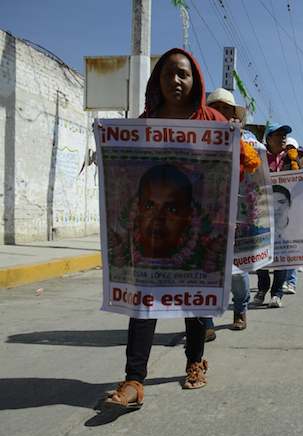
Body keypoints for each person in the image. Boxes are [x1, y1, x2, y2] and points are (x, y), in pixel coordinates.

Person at [104, 48, 228, 409]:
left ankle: (194, 363)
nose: (176, 80)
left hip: (195, 230)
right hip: (150, 235)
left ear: (195, 81)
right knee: (144, 302)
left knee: (193, 301)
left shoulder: (214, 123)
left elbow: (232, 173)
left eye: (183, 74)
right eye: (169, 73)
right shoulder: (143, 124)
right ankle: (133, 380)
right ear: (157, 79)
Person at [202, 88, 257, 338]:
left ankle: (240, 309)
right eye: (215, 107)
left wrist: (236, 139)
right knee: (204, 270)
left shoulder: (245, 138)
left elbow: (256, 165)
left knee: (236, 270)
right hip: (201, 212)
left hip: (234, 213)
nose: (219, 113)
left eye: (225, 109)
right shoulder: (196, 134)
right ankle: (205, 322)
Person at [255, 122, 294, 308]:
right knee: (260, 252)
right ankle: (262, 288)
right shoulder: (258, 157)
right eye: (278, 134)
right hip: (261, 213)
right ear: (269, 138)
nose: (283, 138)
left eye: (284, 134)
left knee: (283, 253)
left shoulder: (292, 159)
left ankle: (277, 292)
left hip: (283, 217)